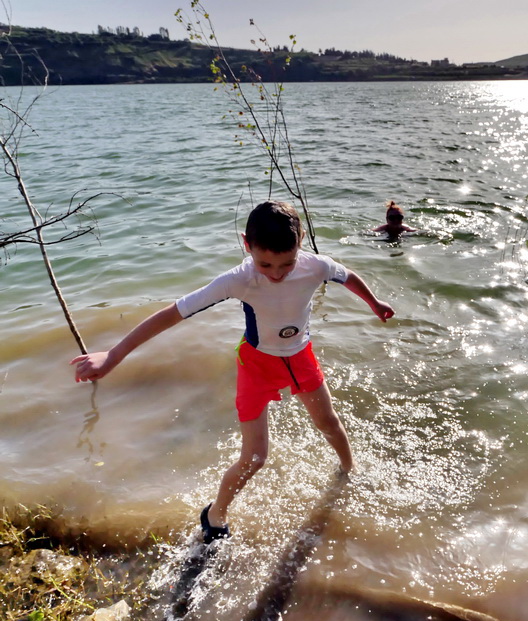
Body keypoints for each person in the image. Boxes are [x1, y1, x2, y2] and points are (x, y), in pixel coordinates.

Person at [71, 200, 395, 542]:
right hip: (256, 365)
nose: (275, 273)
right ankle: (215, 514)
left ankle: (348, 472)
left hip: (301, 357)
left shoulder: (315, 266)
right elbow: (172, 314)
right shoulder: (240, 279)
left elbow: (347, 276)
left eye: (286, 264)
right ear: (247, 245)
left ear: (300, 239)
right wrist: (114, 355)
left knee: (329, 423)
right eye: (265, 263)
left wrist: (374, 302)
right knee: (255, 458)